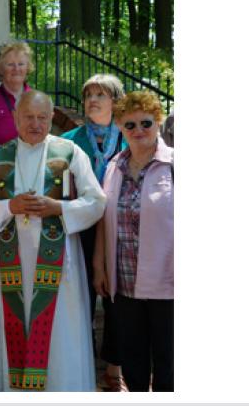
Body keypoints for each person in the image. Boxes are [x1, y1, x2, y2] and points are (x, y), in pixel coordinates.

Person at [0, 90, 106, 391]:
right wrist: (9, 207)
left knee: (60, 331)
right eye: (28, 117)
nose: (35, 123)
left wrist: (59, 208)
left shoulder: (70, 153)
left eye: (42, 117)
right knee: (10, 331)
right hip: (9, 264)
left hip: (59, 268)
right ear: (16, 118)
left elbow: (97, 201)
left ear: (51, 119)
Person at [93, 91, 174, 392]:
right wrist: (99, 265)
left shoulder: (175, 165)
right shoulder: (114, 167)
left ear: (158, 122)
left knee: (170, 364)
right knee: (134, 362)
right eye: (130, 125)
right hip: (124, 283)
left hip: (168, 283)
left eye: (146, 123)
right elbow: (104, 219)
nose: (138, 130)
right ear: (119, 128)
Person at [61, 74, 128, 391]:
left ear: (115, 102)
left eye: (101, 94)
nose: (93, 101)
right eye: (89, 95)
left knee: (118, 298)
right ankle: (83, 362)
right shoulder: (71, 140)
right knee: (81, 295)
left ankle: (114, 368)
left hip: (120, 228)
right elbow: (62, 186)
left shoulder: (130, 136)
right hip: (83, 227)